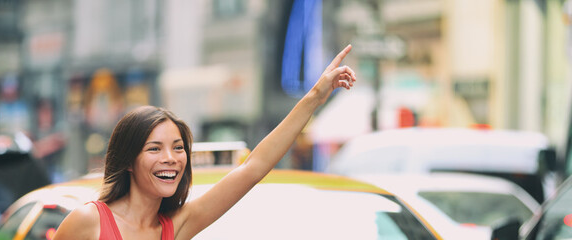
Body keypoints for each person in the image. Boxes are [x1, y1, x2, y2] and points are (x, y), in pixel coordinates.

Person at [53, 45, 357, 240]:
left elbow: (253, 168)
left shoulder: (177, 225)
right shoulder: (88, 221)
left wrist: (316, 96)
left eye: (178, 147)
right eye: (154, 149)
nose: (171, 158)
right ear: (129, 161)